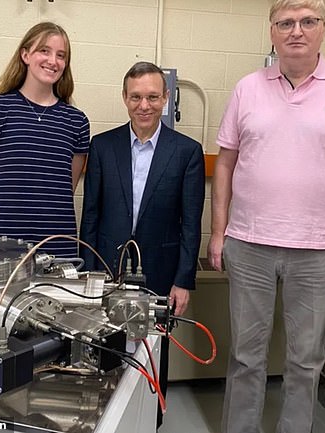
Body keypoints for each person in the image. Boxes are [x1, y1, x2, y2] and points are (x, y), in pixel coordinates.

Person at [207, 1, 325, 432]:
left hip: (321, 250)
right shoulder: (248, 88)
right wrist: (218, 233)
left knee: (304, 360)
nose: (296, 31)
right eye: (285, 23)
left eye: (308, 21)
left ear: (323, 29)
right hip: (250, 244)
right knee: (246, 355)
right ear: (271, 31)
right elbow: (226, 164)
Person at [80, 61, 205, 425]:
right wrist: (89, 271)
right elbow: (91, 215)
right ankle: (107, 421)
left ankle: (151, 420)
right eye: (136, 97)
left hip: (161, 274)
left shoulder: (186, 152)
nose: (144, 105)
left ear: (165, 98)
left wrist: (184, 280)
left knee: (153, 354)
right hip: (107, 270)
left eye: (152, 96)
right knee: (107, 349)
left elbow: (190, 223)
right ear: (125, 98)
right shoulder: (102, 146)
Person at [0, 22, 89, 258]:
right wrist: (1, 230)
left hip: (58, 241)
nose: (53, 61)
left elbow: (67, 186)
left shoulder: (77, 121)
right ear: (25, 54)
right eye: (44, 50)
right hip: (5, 242)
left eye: (61, 55)